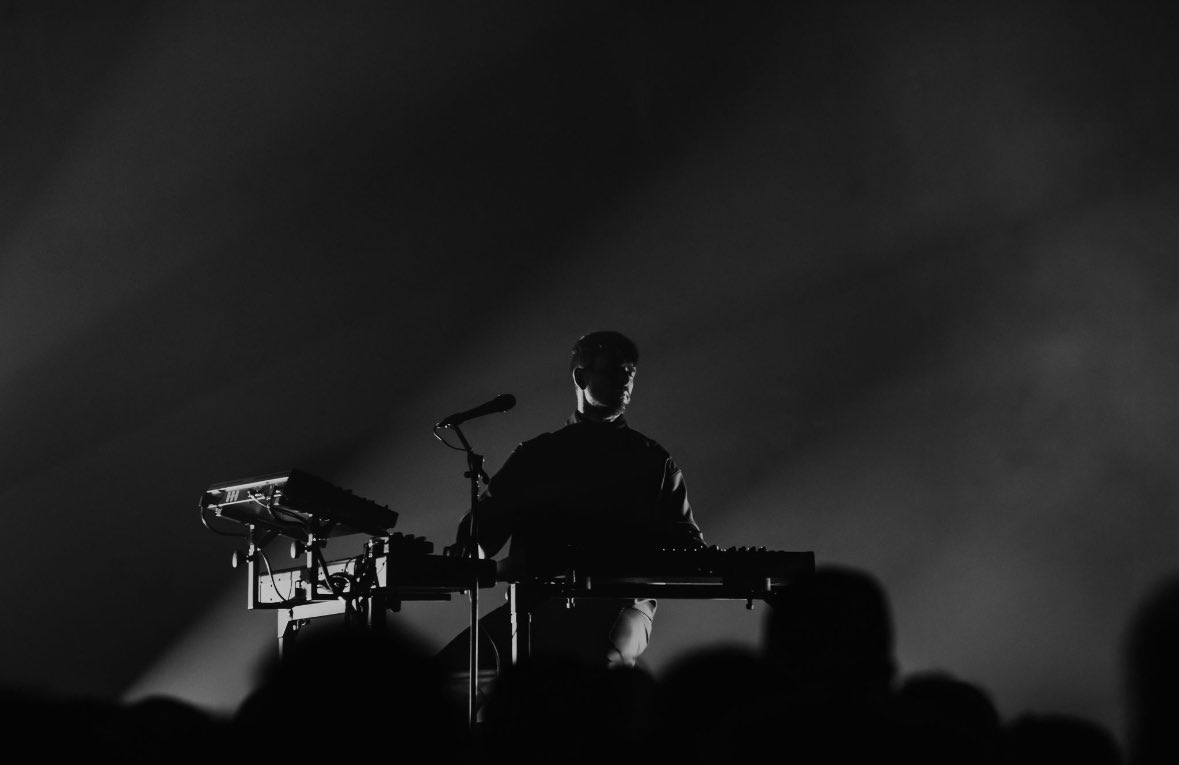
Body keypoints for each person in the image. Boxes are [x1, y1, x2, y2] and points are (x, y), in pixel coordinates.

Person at [447, 330, 704, 670]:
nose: (625, 380)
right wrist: (470, 545)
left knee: (582, 657)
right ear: (581, 377)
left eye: (630, 373)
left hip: (620, 606)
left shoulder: (654, 461)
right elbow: (482, 535)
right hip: (536, 608)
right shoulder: (536, 455)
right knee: (443, 676)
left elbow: (689, 545)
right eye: (614, 371)